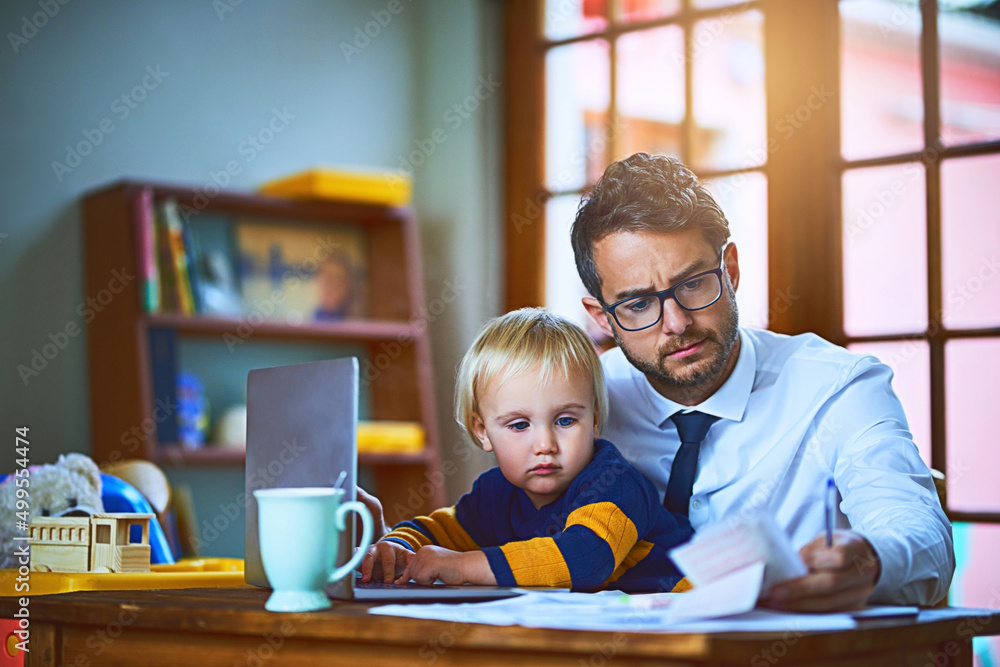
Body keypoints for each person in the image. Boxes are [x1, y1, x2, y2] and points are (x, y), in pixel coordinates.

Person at [569, 152, 954, 610]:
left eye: (693, 283)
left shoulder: (839, 387)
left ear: (730, 269)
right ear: (602, 318)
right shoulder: (585, 401)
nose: (675, 323)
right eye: (637, 305)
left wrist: (871, 561)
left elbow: (918, 530)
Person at [358, 308, 694, 592]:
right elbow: (436, 530)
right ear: (482, 431)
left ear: (594, 420)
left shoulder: (616, 484)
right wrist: (397, 547)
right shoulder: (494, 494)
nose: (545, 445)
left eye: (565, 421)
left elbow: (584, 560)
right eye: (519, 426)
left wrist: (462, 566)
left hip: (690, 619)